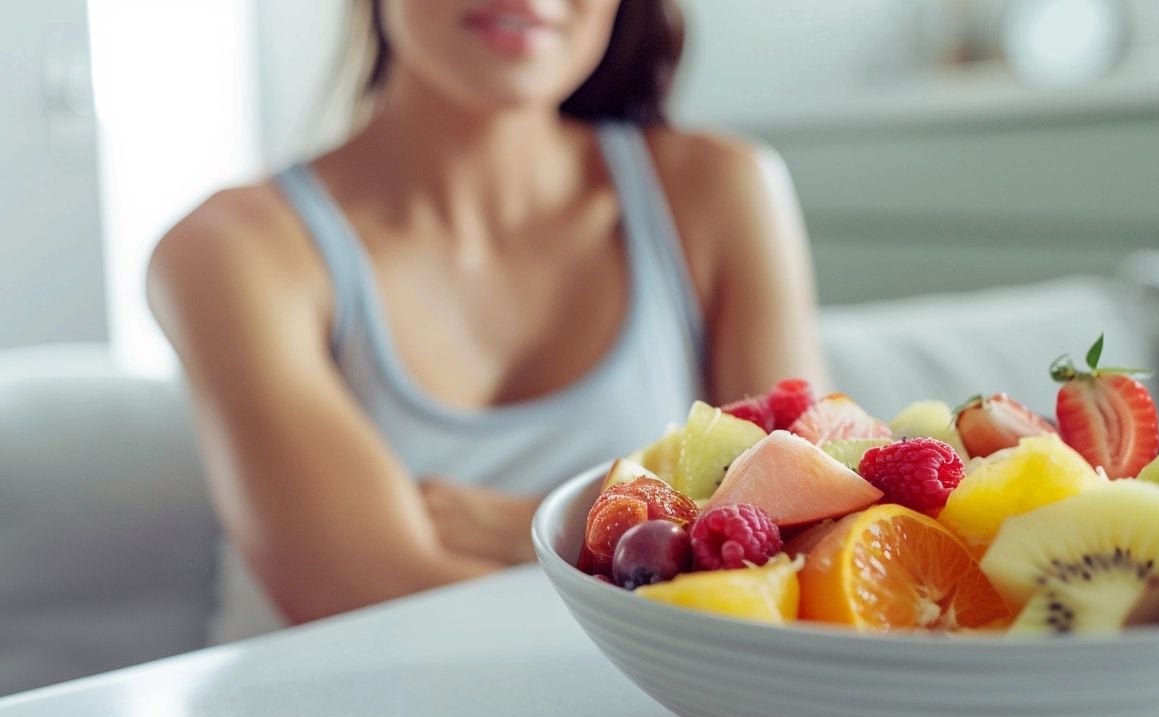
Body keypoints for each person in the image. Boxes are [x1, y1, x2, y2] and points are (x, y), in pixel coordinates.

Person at [148, 0, 826, 631]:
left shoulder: (718, 191)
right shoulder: (233, 248)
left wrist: (531, 527)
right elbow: (369, 602)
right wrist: (672, 543)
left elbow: (812, 546)